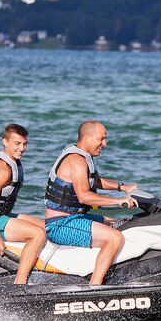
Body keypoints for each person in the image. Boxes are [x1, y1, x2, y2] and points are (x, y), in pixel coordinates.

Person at [43, 120, 139, 286]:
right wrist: (119, 202)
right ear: (87, 137)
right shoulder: (76, 160)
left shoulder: (81, 155)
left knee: (118, 223)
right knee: (114, 238)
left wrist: (122, 187)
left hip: (75, 218)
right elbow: (84, 197)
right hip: (60, 225)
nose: (105, 144)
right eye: (101, 139)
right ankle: (95, 285)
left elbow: (94, 180)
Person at [0, 123, 47, 286]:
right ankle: (20, 283)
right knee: (37, 234)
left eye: (24, 144)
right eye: (17, 143)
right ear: (5, 142)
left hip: (0, 216)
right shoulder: (3, 169)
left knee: (47, 227)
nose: (21, 148)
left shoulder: (13, 162)